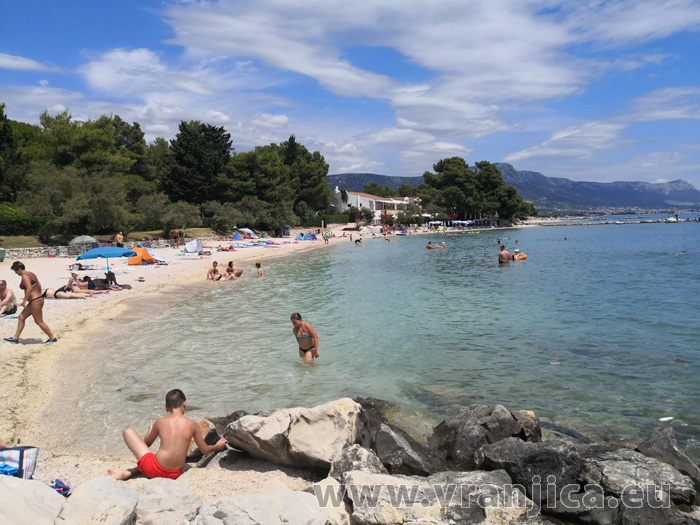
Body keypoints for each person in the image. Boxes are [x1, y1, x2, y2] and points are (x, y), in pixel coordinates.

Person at [108, 389, 227, 481]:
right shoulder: (193, 425)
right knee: (155, 456)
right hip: (175, 473)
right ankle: (129, 472)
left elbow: (146, 445)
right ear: (184, 404)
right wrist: (217, 446)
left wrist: (149, 432)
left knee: (128, 431)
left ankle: (127, 472)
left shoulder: (160, 422)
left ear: (166, 408)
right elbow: (205, 450)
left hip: (155, 470)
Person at [4, 261, 56, 344]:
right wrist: (38, 295)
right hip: (36, 300)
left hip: (35, 301)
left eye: (16, 271)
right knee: (21, 317)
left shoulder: (24, 276)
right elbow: (39, 285)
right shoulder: (31, 274)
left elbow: (29, 288)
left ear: (19, 269)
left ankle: (52, 337)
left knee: (39, 321)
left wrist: (24, 301)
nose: (16, 273)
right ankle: (15, 337)